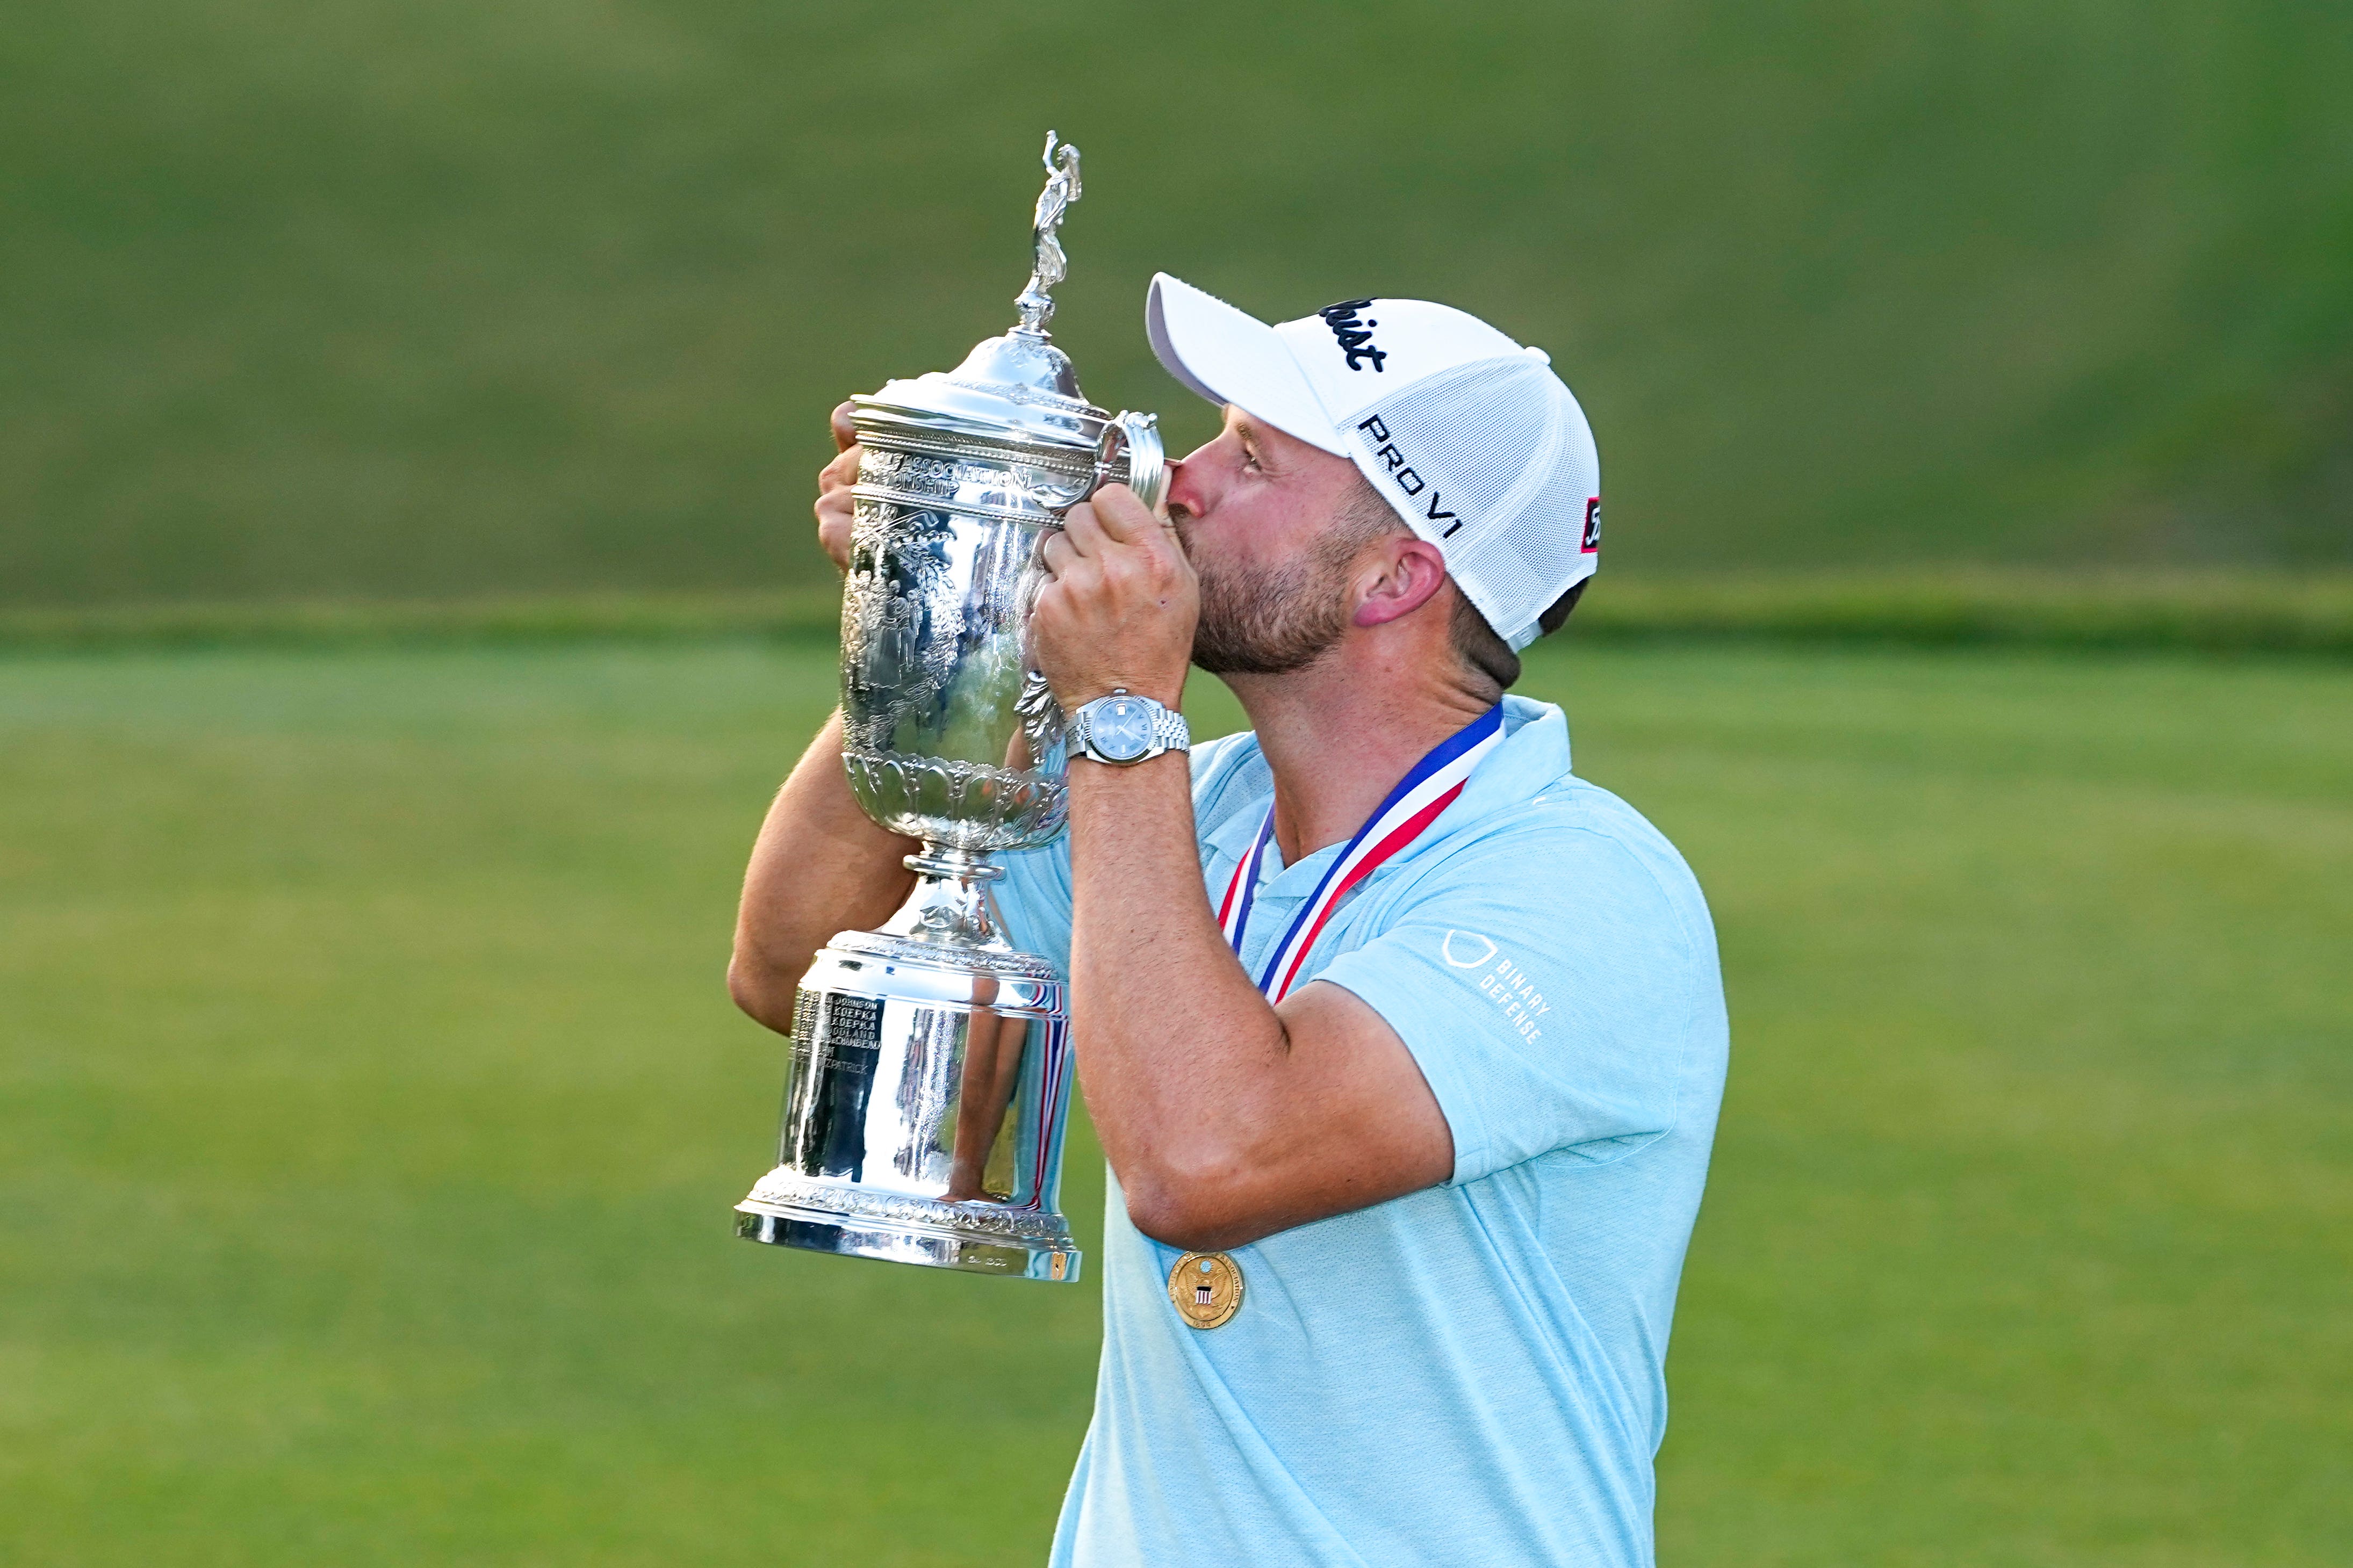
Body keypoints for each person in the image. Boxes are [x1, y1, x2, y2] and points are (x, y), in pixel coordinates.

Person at [730, 273, 1730, 1568]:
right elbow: (793, 961)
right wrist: (949, 599)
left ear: (1394, 574)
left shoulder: (1584, 888)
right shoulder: (1184, 807)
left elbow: (1206, 1164)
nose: (1177, 480)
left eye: (1251, 455)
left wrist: (1121, 712)